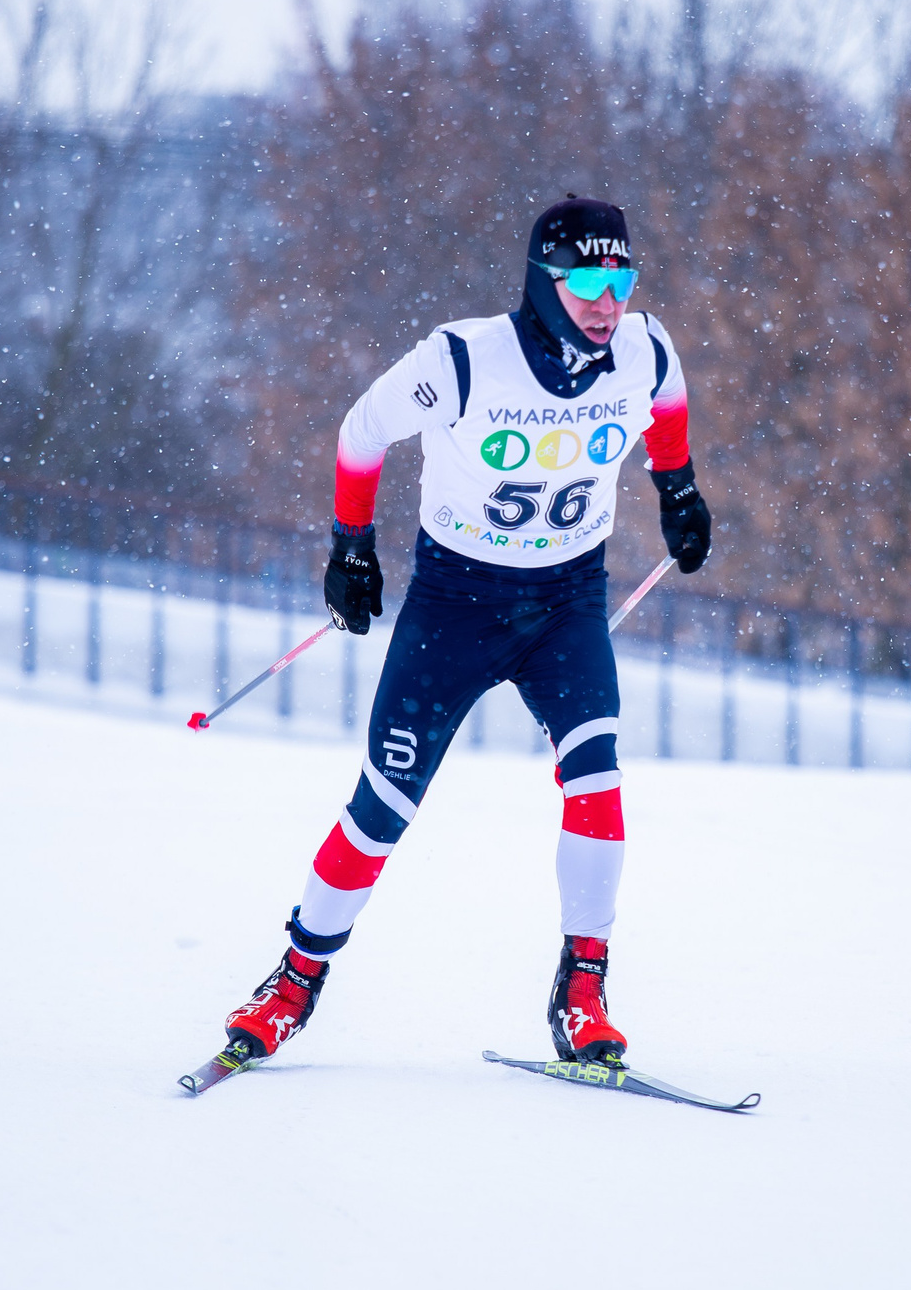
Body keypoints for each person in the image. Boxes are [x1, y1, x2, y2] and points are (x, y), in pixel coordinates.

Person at [214, 195, 713, 1068]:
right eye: (590, 281)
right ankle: (294, 981)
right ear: (544, 282)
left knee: (598, 781)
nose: (609, 302)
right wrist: (351, 547)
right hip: (457, 604)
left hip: (567, 602)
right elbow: (362, 432)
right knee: (384, 805)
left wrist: (678, 488)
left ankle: (582, 988)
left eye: (623, 281)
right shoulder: (463, 360)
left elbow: (667, 400)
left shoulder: (644, 349)